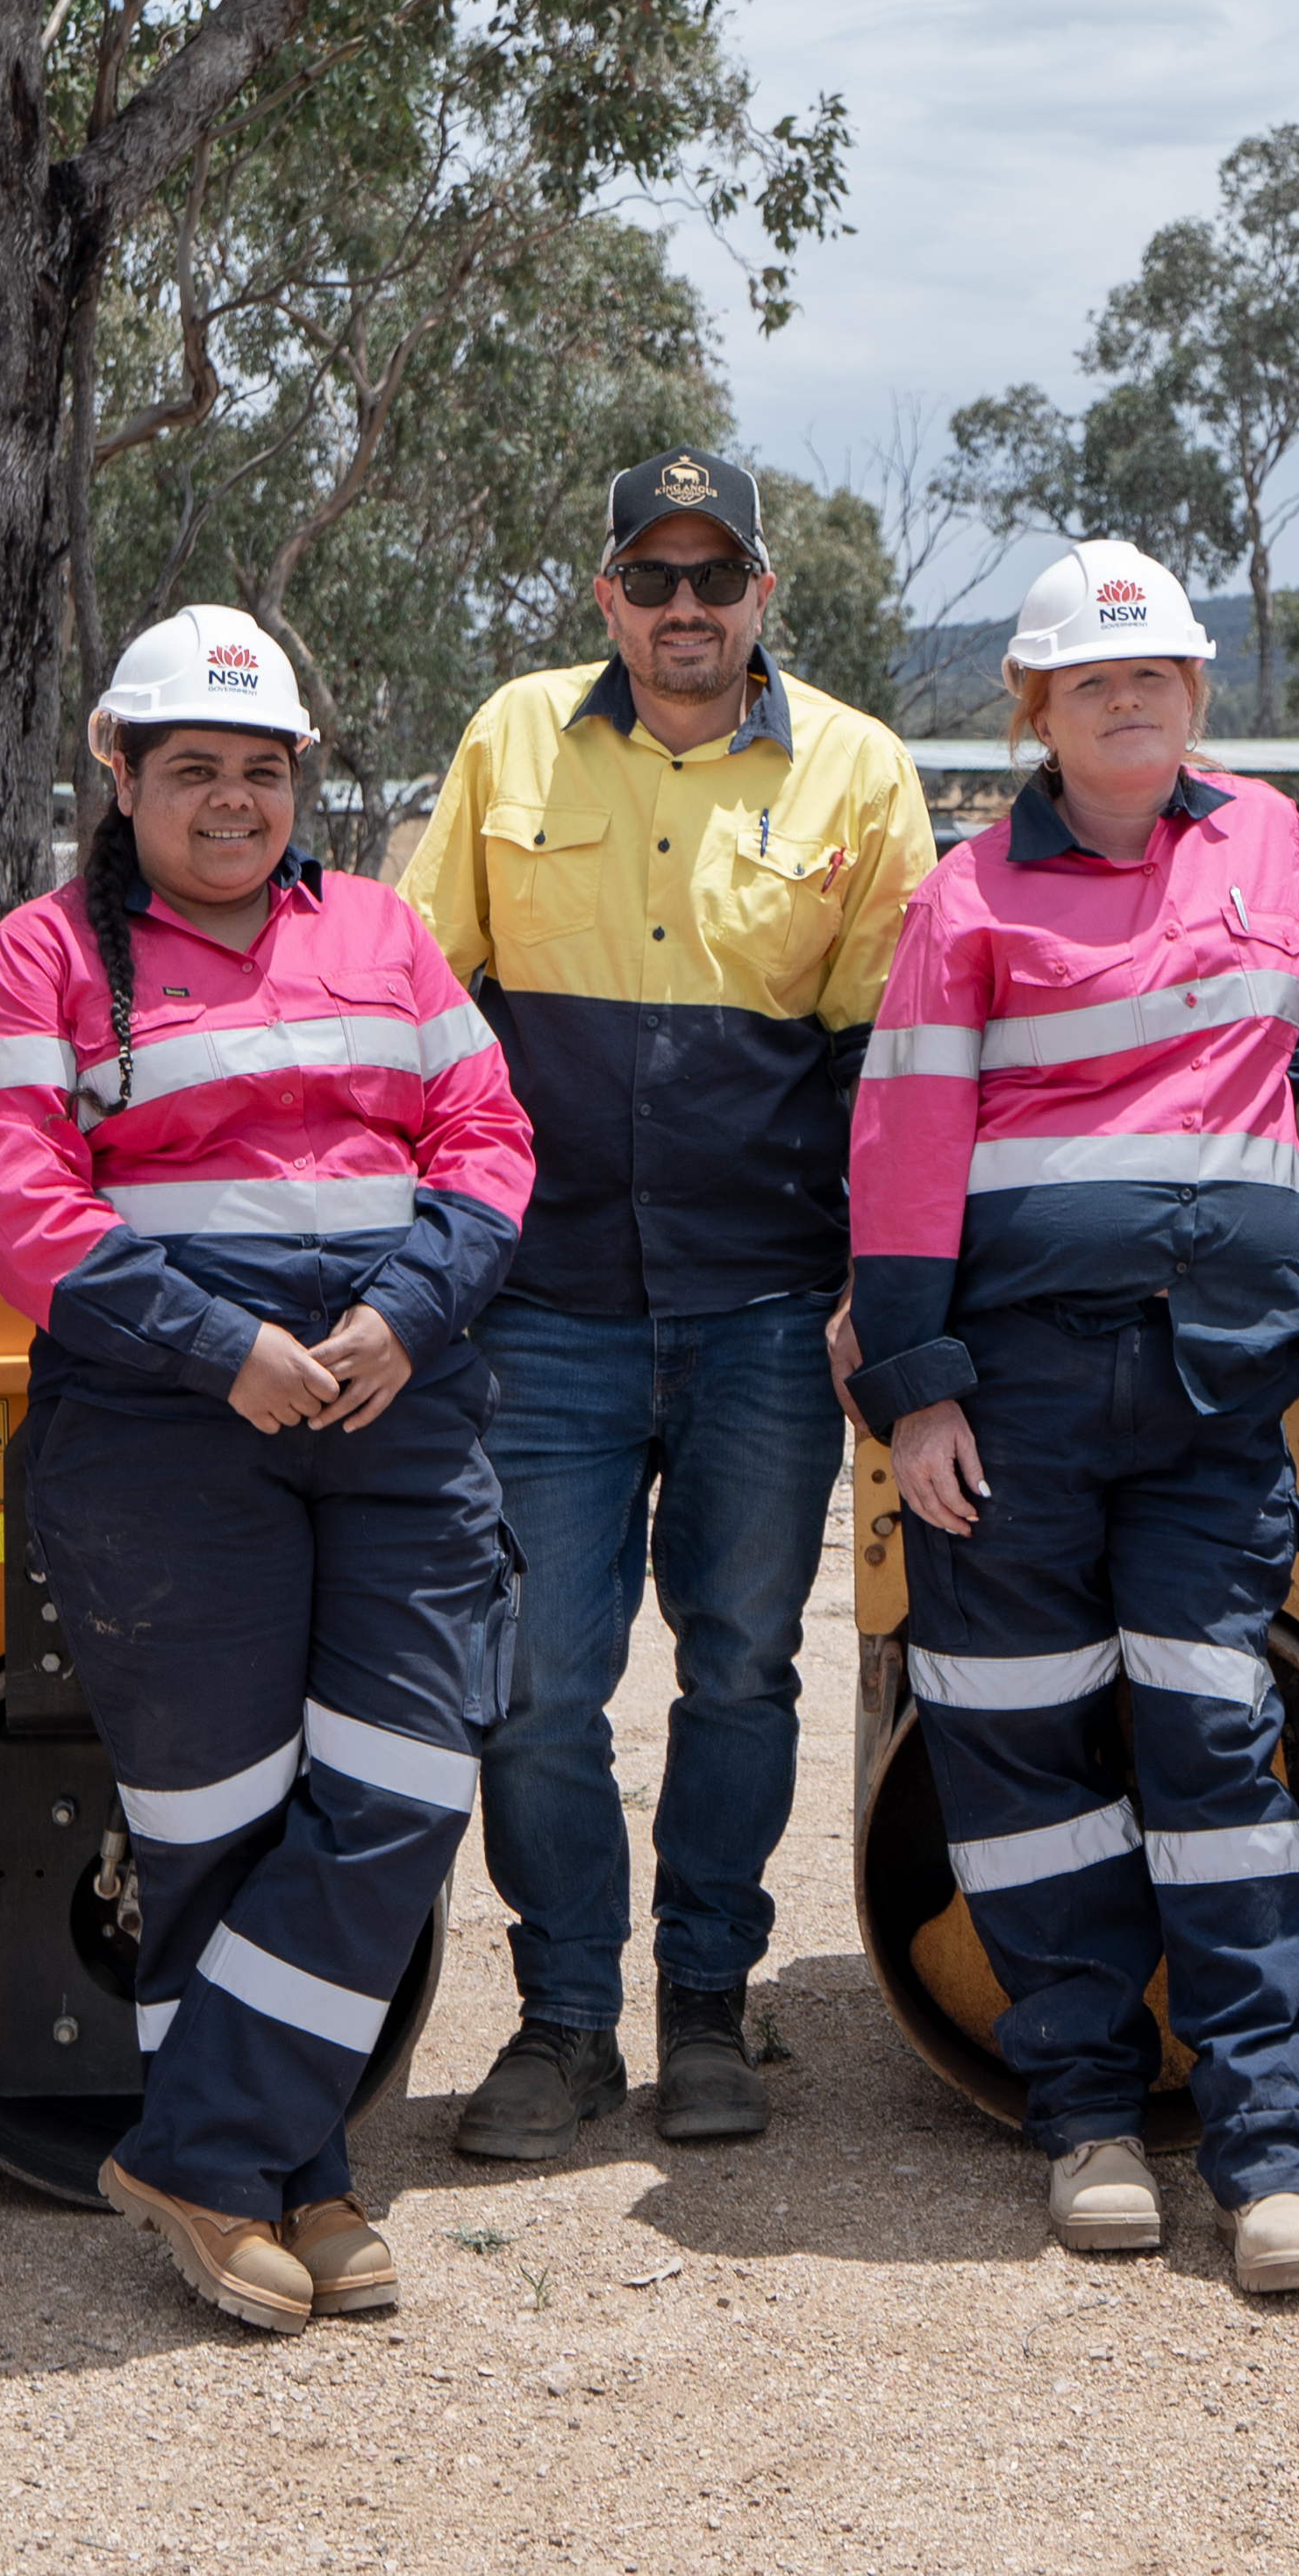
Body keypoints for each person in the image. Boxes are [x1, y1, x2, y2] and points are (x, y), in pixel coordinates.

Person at [0, 609, 538, 2335]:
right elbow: (28, 1209)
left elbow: (487, 1135)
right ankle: (294, 2172)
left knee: (404, 1784)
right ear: (117, 773)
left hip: (392, 1398)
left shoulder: (380, 932)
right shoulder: (41, 958)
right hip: (161, 1421)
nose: (230, 798)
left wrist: (404, 1312)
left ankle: (206, 2147)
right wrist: (222, 1345)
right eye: (192, 766)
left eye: (260, 769)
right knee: (212, 1819)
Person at [838, 540, 1299, 2299]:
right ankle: (1085, 2118)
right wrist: (913, 1385)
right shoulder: (966, 895)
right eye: (1091, 681)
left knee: (1214, 1744)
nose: (1127, 701)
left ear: (1194, 692)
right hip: (1018, 1397)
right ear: (1035, 710)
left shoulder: (1263, 837)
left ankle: (1267, 2150)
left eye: (1153, 675)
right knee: (1018, 1753)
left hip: (1214, 1387)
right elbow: (904, 1141)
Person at [400, 451, 934, 2160]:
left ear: (762, 590)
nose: (683, 605)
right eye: (652, 576)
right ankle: (564, 2020)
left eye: (714, 576)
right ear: (605, 593)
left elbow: (885, 1065)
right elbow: (416, 1005)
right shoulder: (509, 740)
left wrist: (871, 1287)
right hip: (539, 1307)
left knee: (741, 1669)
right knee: (534, 1684)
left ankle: (706, 2005)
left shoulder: (857, 767)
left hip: (765, 1311)